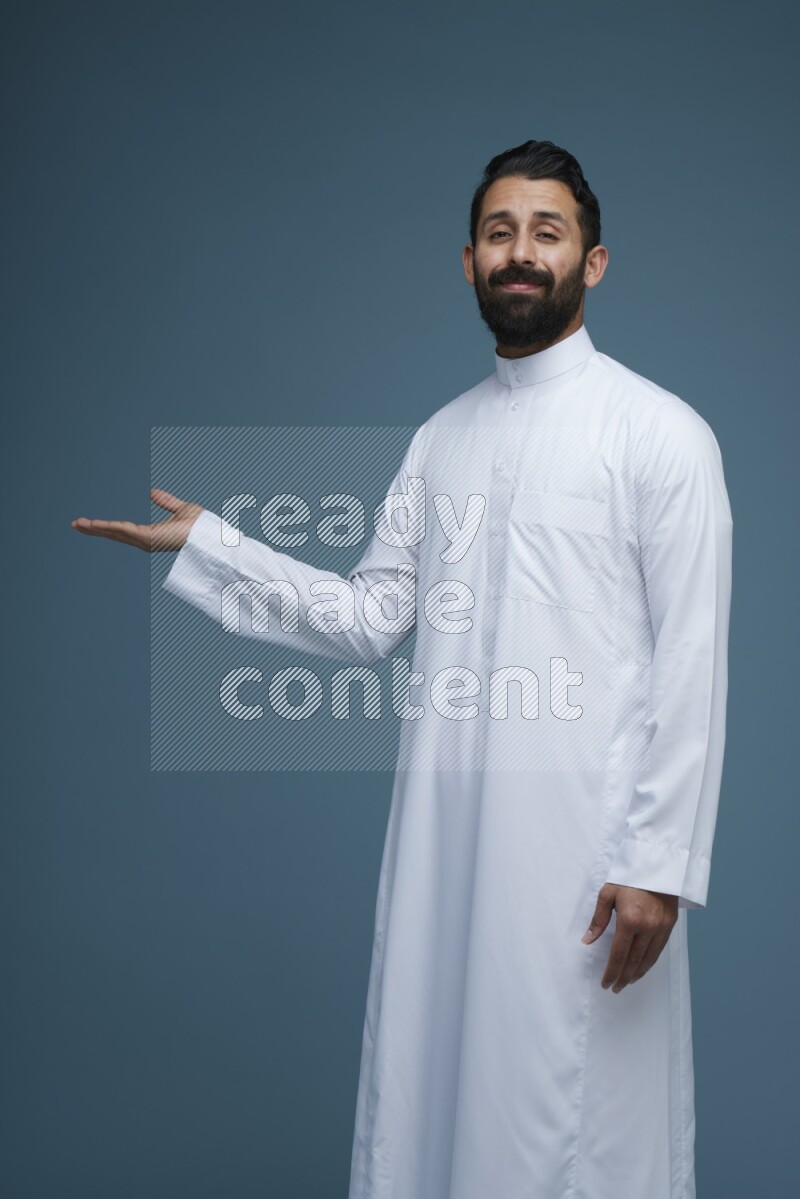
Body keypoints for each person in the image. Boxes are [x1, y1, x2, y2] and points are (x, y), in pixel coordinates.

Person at [71, 138, 733, 1198]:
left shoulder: (658, 433)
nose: (520, 253)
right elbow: (370, 616)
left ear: (591, 262)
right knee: (433, 1099)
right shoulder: (441, 440)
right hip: (445, 847)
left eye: (545, 232)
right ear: (466, 261)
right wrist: (212, 544)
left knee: (582, 1118)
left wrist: (660, 862)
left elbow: (691, 654)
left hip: (587, 858)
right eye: (499, 232)